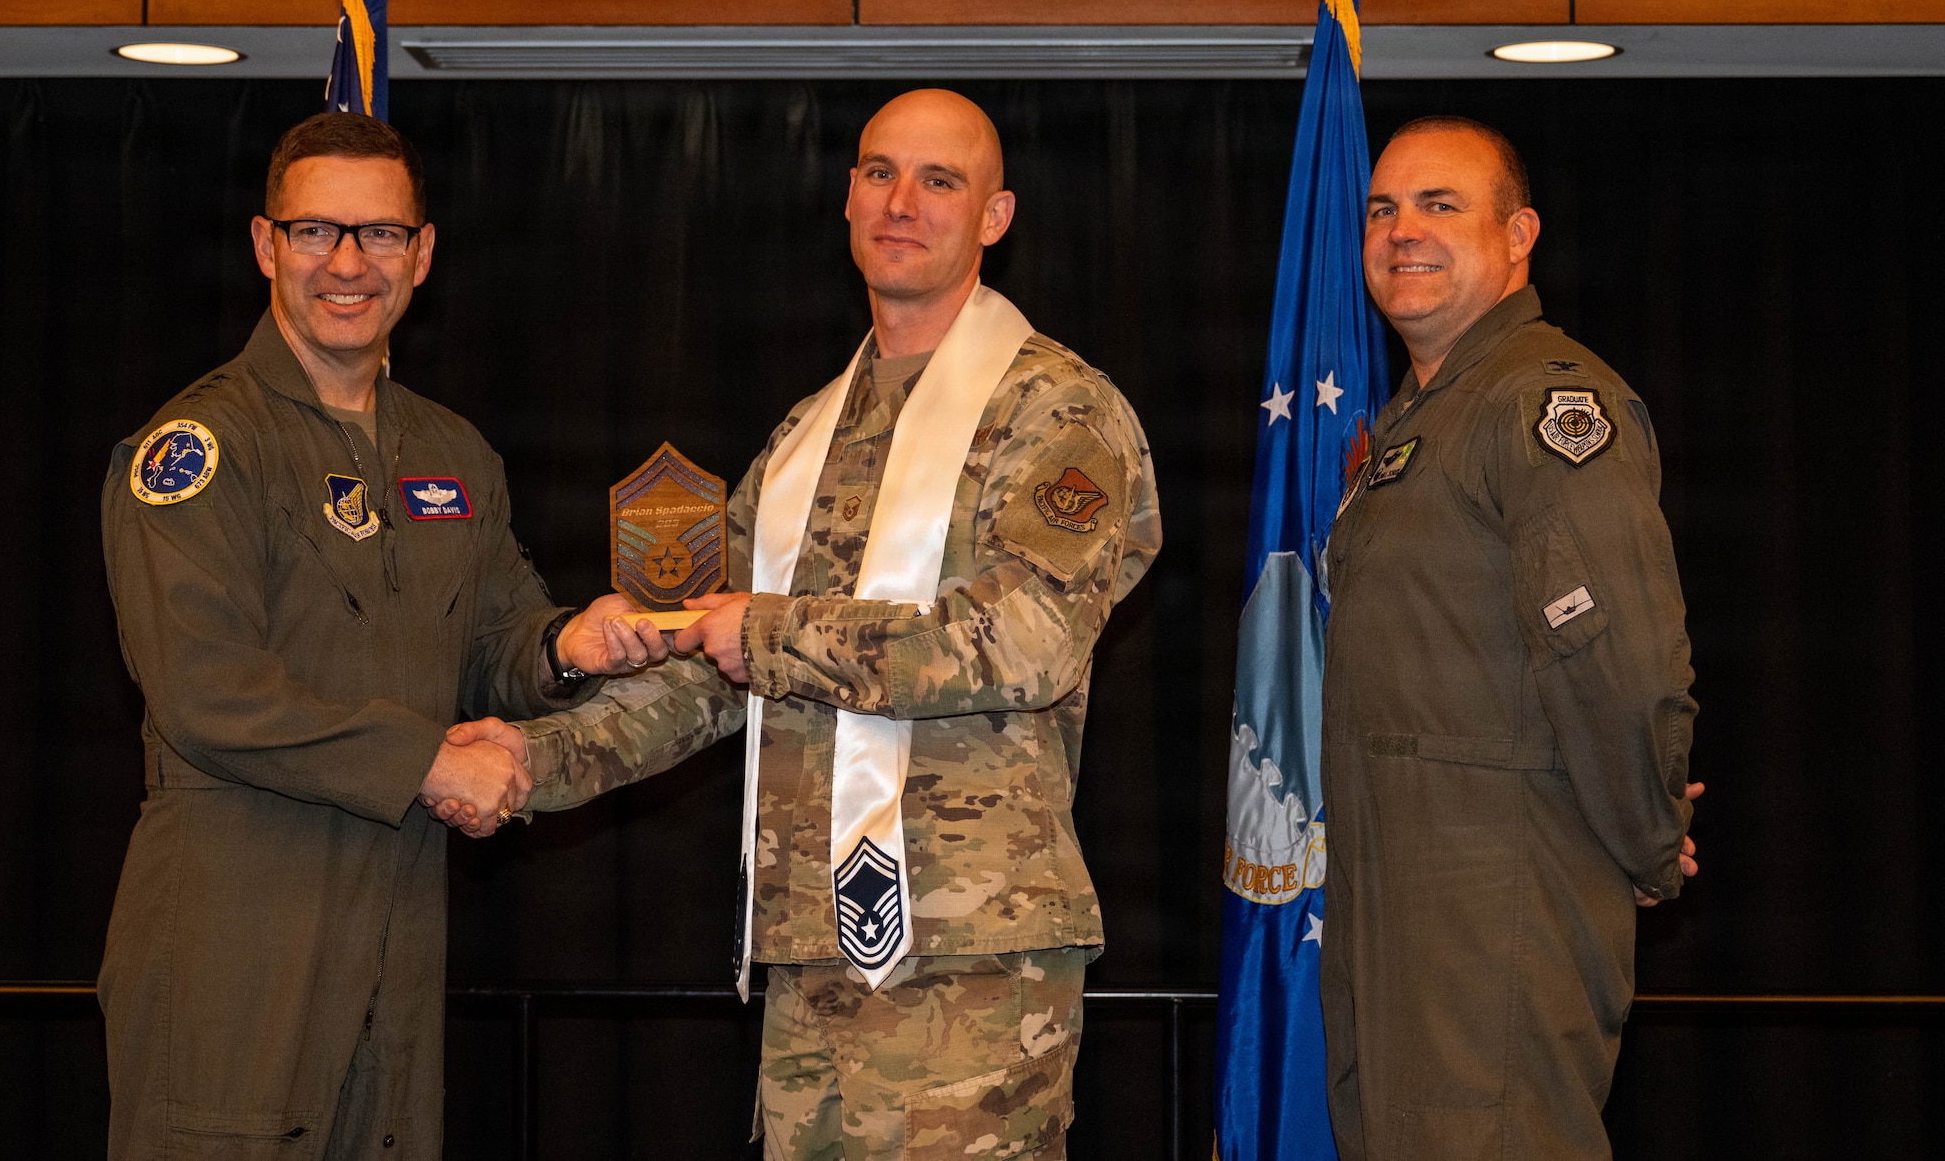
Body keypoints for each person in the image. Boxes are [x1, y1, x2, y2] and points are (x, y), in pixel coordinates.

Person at [507, 89, 1161, 1159]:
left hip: (969, 961)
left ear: (995, 216)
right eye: (876, 172)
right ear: (845, 197)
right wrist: (528, 764)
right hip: (810, 951)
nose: (899, 202)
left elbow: (1024, 641)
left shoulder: (1056, 410)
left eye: (938, 180)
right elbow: (705, 666)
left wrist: (762, 631)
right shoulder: (808, 431)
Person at [98, 112, 677, 1160]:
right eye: (318, 232)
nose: (348, 265)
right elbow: (207, 692)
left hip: (399, 933)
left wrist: (568, 648)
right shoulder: (198, 449)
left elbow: (499, 634)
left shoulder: (450, 452)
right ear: (267, 244)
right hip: (239, 934)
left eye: (379, 235)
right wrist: (426, 761)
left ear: (422, 254)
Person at [1319, 116, 1702, 1159]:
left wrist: (1641, 832)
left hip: (1492, 904)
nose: (1402, 231)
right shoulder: (1423, 416)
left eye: (1439, 205)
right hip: (1397, 895)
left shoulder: (1542, 402)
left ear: (1516, 233)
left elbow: (1614, 655)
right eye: (1381, 209)